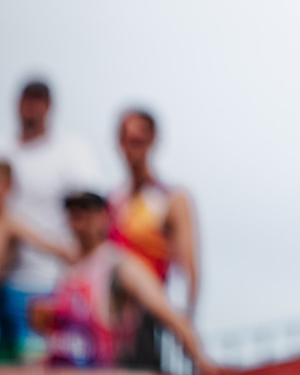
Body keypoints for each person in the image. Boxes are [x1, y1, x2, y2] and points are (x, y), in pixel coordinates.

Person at [29, 191, 216, 373]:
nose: (78, 221)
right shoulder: (68, 268)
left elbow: (168, 313)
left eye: (84, 213)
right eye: (73, 214)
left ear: (103, 217)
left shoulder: (119, 265)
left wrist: (201, 360)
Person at [0, 80, 106, 364]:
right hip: (5, 281)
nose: (31, 107)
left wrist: (81, 262)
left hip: (49, 282)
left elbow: (93, 205)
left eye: (38, 100)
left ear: (49, 107)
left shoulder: (70, 150)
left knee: (41, 363)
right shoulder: (5, 148)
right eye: (26, 99)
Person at [107, 108, 200, 369]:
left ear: (152, 141)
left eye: (138, 139)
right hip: (110, 317)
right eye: (126, 138)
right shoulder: (114, 201)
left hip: (149, 316)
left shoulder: (170, 199)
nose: (131, 147)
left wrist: (186, 321)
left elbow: (190, 267)